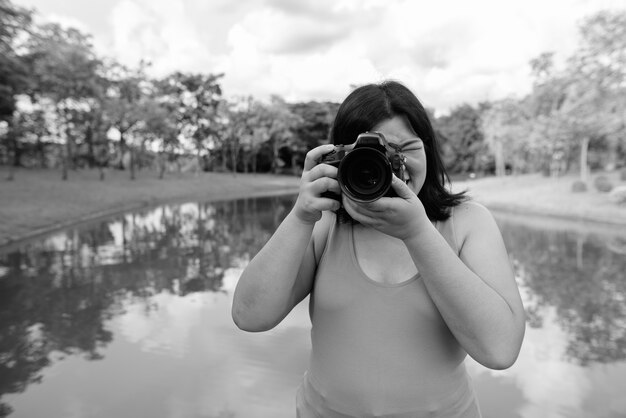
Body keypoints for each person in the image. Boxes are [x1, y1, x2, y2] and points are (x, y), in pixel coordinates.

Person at [232, 80, 526, 417]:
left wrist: (417, 233)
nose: (389, 165)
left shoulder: (468, 222)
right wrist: (301, 216)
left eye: (406, 149)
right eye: (372, 155)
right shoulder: (325, 223)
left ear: (428, 150)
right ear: (340, 158)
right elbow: (249, 316)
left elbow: (500, 350)